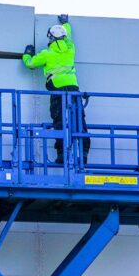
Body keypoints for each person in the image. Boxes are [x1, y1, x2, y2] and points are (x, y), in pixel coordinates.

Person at [22, 14, 90, 164]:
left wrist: (26, 54)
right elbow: (68, 36)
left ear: (51, 38)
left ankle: (61, 155)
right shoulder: (70, 50)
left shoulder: (47, 54)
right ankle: (83, 154)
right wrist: (66, 23)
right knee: (79, 120)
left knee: (60, 121)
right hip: (74, 89)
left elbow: (30, 64)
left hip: (58, 91)